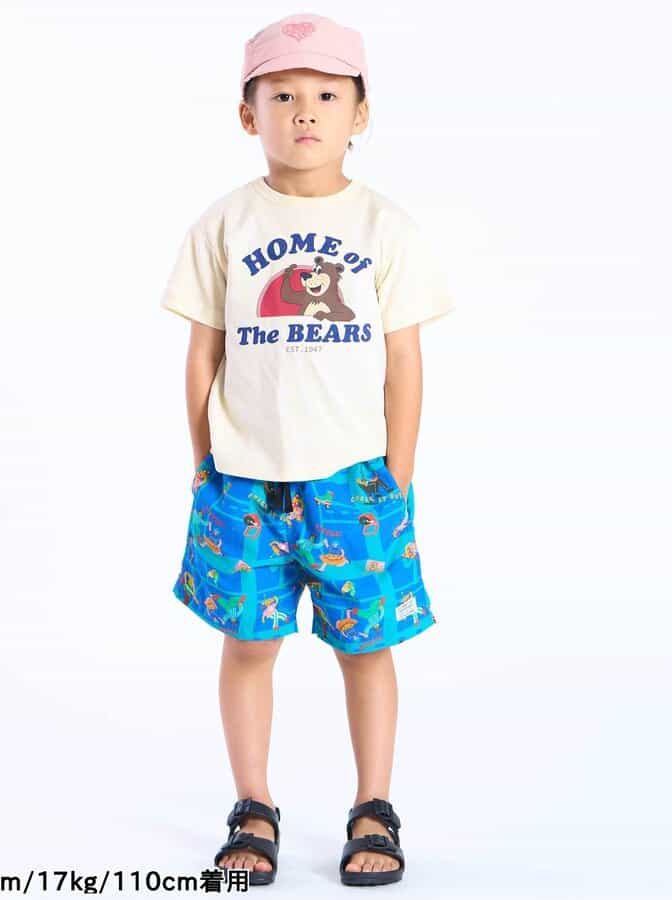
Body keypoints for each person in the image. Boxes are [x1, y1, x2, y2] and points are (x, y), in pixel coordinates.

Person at [160, 12, 455, 888]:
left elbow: (405, 360)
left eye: (327, 95)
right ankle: (253, 806)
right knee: (249, 644)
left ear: (360, 113)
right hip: (242, 483)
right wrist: (205, 462)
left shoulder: (384, 226)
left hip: (354, 483)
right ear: (247, 113)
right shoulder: (224, 223)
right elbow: (203, 353)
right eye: (281, 94)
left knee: (366, 646)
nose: (304, 112)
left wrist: (398, 474)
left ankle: (374, 807)